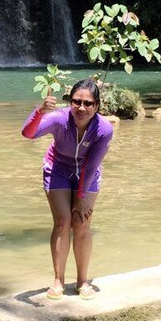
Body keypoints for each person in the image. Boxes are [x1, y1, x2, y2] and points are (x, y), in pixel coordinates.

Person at [21, 78, 114, 300]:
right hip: (58, 169)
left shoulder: (104, 129)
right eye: (76, 102)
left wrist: (81, 198)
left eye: (88, 103)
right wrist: (39, 111)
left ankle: (82, 280)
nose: (81, 108)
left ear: (97, 106)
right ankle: (58, 280)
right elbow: (28, 133)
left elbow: (91, 166)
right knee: (63, 221)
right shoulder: (58, 119)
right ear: (70, 102)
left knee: (81, 222)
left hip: (87, 173)